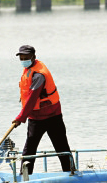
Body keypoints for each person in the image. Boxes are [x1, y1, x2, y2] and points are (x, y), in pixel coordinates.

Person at [11, 45, 74, 174]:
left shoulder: (39, 75)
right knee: (29, 149)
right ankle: (25, 176)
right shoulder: (28, 69)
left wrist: (20, 118)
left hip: (53, 116)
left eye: (26, 57)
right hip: (36, 118)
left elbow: (32, 99)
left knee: (62, 147)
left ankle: (71, 173)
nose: (23, 60)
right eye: (21, 58)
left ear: (33, 57)